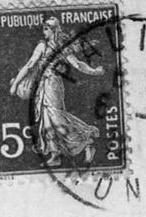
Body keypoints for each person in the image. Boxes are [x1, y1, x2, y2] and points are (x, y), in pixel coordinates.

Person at [9, 17, 105, 167]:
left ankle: (87, 141)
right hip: (43, 85)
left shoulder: (61, 47)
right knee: (46, 119)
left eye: (46, 29)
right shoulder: (42, 46)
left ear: (54, 30)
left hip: (53, 85)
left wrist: (94, 71)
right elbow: (29, 65)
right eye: (43, 28)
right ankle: (55, 155)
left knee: (56, 117)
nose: (44, 31)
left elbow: (78, 64)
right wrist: (15, 83)